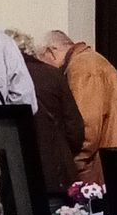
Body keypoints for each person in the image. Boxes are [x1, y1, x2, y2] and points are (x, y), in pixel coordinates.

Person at [38, 30, 117, 184]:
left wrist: (72, 166)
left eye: (42, 59)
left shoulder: (83, 67)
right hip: (114, 162)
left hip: (101, 169)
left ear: (50, 51)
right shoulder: (90, 62)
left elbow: (87, 126)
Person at [9, 33, 80, 201]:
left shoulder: (5, 78)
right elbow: (75, 126)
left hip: (18, 169)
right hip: (56, 168)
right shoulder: (53, 74)